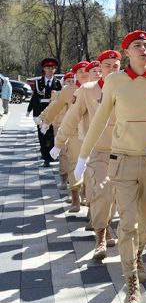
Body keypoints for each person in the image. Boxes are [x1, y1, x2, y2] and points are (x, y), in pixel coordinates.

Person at [74, 30, 146, 303]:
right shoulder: (114, 81)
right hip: (122, 162)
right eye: (137, 45)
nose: (144, 49)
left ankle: (137, 254)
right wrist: (83, 156)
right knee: (128, 224)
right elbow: (99, 120)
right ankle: (131, 284)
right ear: (127, 53)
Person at [49, 51, 122, 261]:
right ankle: (101, 234)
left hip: (123, 152)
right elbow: (71, 118)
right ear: (100, 67)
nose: (111, 70)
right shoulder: (88, 90)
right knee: (102, 191)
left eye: (115, 66)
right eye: (106, 66)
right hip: (97, 151)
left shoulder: (127, 88)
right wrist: (59, 142)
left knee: (115, 196)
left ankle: (107, 223)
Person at [39, 60, 91, 212]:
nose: (84, 74)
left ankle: (88, 197)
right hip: (75, 133)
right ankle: (75, 197)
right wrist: (46, 121)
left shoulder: (99, 86)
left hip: (95, 134)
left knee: (92, 167)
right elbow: (57, 105)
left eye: (86, 70)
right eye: (79, 72)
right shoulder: (69, 89)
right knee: (74, 164)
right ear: (75, 75)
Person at [27, 58, 62, 167]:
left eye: (52, 68)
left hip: (55, 113)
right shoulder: (38, 82)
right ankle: (46, 157)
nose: (50, 70)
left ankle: (51, 155)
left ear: (55, 70)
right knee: (43, 136)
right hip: (42, 113)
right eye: (47, 68)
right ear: (44, 69)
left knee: (53, 135)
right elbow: (34, 99)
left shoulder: (58, 83)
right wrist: (33, 113)